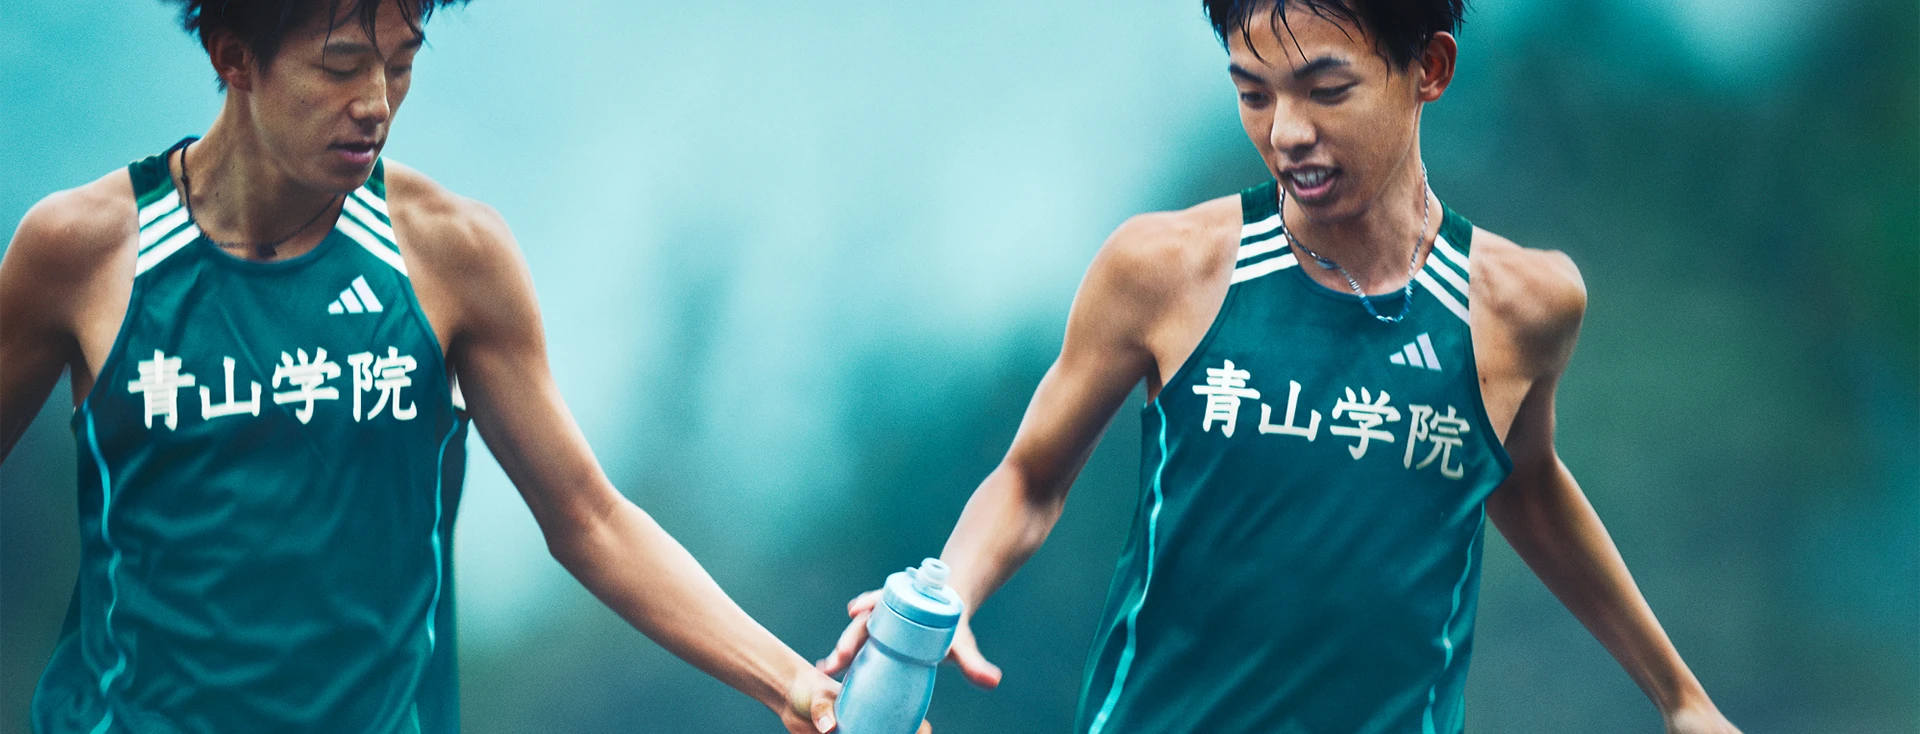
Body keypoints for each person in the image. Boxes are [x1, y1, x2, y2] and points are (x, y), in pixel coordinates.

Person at [818, 1, 1743, 732]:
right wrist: (952, 593)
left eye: (1324, 89)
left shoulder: (1523, 307)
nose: (1286, 129)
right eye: (1253, 92)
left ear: (1429, 69)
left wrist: (1678, 697)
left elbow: (1524, 483)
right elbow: (1031, 479)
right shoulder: (1168, 271)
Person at [0, 1, 853, 731]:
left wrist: (791, 684)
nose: (375, 103)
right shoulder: (85, 252)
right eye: (340, 66)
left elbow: (588, 518)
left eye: (400, 65)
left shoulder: (447, 254)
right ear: (233, 57)